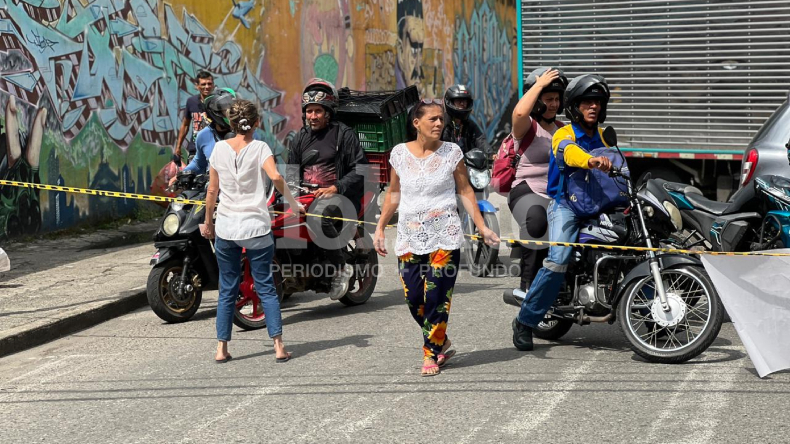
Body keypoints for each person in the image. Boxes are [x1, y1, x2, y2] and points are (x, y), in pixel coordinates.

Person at [374, 99, 500, 376]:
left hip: (446, 234)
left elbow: (466, 191)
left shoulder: (452, 152)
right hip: (409, 235)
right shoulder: (398, 154)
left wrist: (481, 226)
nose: (440, 124)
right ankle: (441, 339)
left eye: (441, 119)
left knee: (437, 296)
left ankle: (431, 353)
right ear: (416, 123)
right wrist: (381, 226)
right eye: (433, 119)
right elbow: (393, 194)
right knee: (413, 296)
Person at [512, 74, 614, 352]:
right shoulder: (563, 134)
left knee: (635, 244)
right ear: (575, 107)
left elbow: (619, 164)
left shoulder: (604, 136)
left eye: (597, 102)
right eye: (586, 103)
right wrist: (590, 160)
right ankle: (525, 320)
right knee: (557, 259)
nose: (593, 107)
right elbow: (569, 153)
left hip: (599, 204)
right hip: (566, 206)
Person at [200, 99, 303, 364]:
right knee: (266, 286)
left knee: (227, 289)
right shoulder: (260, 147)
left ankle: (221, 348)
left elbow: (212, 190)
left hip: (226, 228)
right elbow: (277, 178)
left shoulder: (219, 149)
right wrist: (293, 204)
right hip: (256, 226)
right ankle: (278, 346)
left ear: (231, 124)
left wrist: (208, 222)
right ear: (257, 122)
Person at [285, 78, 367, 299]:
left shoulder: (344, 135)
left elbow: (360, 169)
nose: (313, 116)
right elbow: (291, 172)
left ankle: (341, 268)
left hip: (339, 197)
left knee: (317, 217)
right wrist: (291, 198)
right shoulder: (300, 138)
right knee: (277, 218)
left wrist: (336, 187)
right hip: (305, 196)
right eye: (309, 111)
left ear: (328, 112)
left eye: (318, 111)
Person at [508, 68, 568, 292]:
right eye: (548, 99)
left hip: (558, 193)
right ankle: (528, 288)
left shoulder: (563, 129)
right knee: (537, 219)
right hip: (528, 188)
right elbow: (520, 114)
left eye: (556, 99)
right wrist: (538, 85)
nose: (553, 104)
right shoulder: (528, 126)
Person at [169, 88, 247, 186]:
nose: (232, 115)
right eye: (226, 111)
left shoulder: (246, 132)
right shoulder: (203, 136)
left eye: (233, 110)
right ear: (215, 113)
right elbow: (198, 163)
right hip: (213, 190)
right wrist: (180, 176)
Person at [175, 71, 214, 161]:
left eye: (209, 84)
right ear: (197, 86)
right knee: (191, 174)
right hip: (195, 149)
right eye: (203, 84)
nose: (207, 87)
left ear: (213, 85)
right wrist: (178, 147)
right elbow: (185, 125)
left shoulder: (218, 102)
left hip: (214, 148)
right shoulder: (191, 102)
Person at [441, 84, 489, 155]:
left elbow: (480, 139)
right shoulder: (442, 123)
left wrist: (491, 154)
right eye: (458, 100)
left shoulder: (469, 124)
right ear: (450, 102)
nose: (462, 103)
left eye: (465, 101)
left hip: (466, 163)